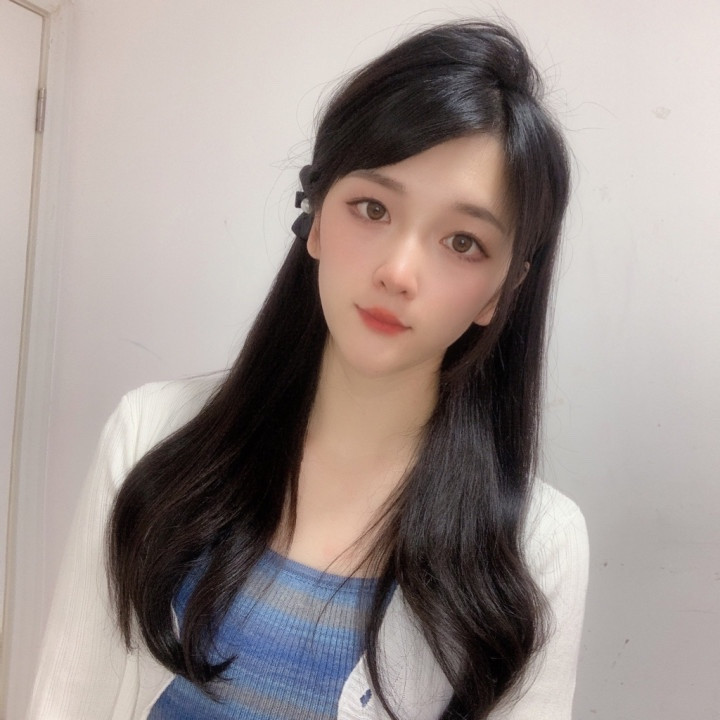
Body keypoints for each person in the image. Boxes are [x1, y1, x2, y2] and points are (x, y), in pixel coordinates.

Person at [30, 19, 588, 720]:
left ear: (502, 291)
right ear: (317, 218)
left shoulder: (536, 547)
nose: (398, 271)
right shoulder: (150, 437)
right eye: (372, 208)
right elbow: (65, 700)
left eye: (462, 242)